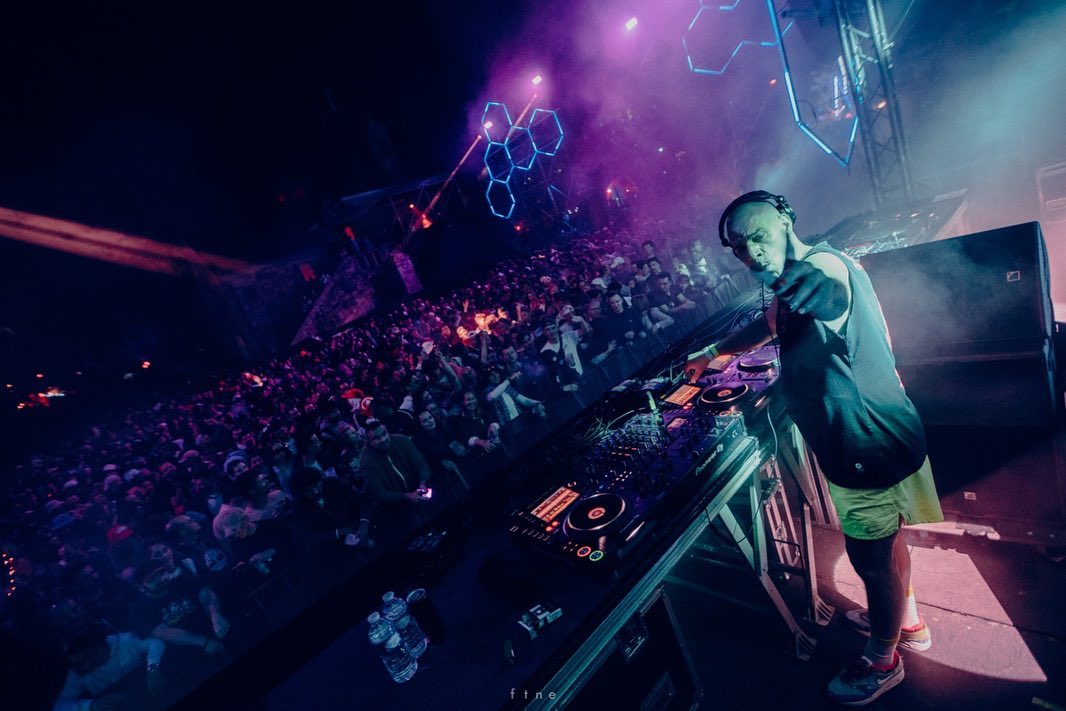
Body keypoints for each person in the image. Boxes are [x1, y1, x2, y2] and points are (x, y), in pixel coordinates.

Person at [689, 190, 943, 706]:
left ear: (786, 219)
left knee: (870, 559)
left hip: (864, 443)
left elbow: (830, 293)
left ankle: (882, 661)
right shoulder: (796, 276)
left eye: (758, 236)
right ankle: (907, 624)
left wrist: (812, 288)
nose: (751, 253)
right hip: (882, 429)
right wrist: (713, 351)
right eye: (739, 248)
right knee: (887, 542)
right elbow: (769, 323)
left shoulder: (821, 269)